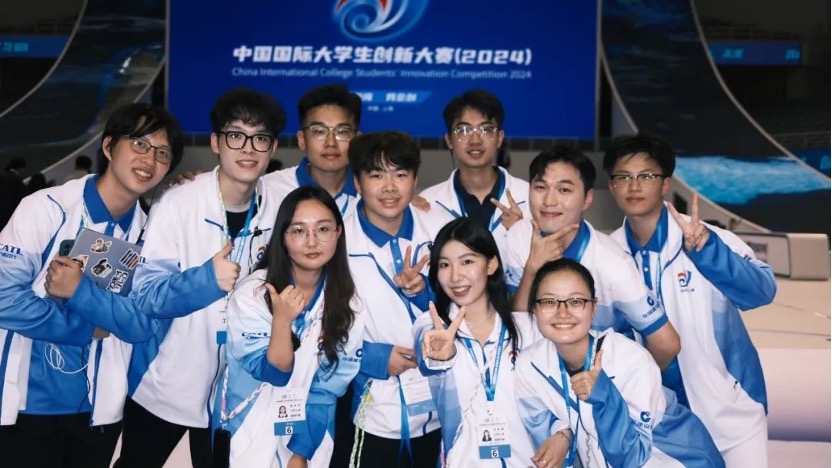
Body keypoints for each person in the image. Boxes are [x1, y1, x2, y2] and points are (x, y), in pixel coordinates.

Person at [46, 88, 286, 467]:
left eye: (260, 139)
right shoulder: (178, 202)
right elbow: (147, 294)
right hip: (164, 383)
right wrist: (206, 280)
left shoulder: (279, 208)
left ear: (272, 148)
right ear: (216, 143)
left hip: (235, 389)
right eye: (236, 136)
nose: (248, 148)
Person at [0, 103, 184, 467]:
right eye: (140, 144)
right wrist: (85, 328)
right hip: (25, 408)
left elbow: (143, 323)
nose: (150, 159)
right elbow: (4, 298)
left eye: (163, 153)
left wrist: (80, 293)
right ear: (109, 146)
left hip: (98, 414)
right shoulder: (47, 208)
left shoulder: (152, 235)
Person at [603, 133, 775, 466]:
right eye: (623, 177)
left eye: (646, 176)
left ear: (665, 183)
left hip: (731, 414)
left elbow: (762, 291)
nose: (634, 186)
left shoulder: (707, 237)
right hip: (661, 421)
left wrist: (709, 253)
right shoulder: (607, 254)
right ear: (611, 186)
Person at [515, 259, 724, 468]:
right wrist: (562, 435)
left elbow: (632, 458)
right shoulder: (529, 365)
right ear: (534, 308)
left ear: (593, 307)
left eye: (576, 301)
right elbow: (547, 434)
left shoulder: (630, 359)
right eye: (549, 302)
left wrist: (605, 395)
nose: (562, 312)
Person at [216, 186, 365, 468]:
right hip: (247, 429)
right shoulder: (253, 294)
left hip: (307, 434)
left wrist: (301, 453)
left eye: (323, 229)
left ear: (338, 232)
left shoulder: (350, 303)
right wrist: (282, 322)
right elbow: (274, 373)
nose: (312, 242)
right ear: (282, 238)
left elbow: (327, 389)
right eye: (298, 231)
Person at [504, 146, 680, 371]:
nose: (549, 200)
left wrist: (622, 384)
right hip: (542, 373)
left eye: (564, 190)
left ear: (587, 199)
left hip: (600, 375)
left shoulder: (612, 263)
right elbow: (519, 324)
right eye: (540, 187)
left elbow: (667, 344)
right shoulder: (519, 236)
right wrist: (532, 268)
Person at [336, 131, 453, 467]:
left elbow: (469, 304)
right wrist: (367, 357)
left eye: (400, 175)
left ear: (415, 180)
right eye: (376, 175)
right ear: (357, 183)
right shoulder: (336, 240)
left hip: (441, 405)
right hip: (369, 410)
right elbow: (316, 325)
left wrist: (423, 293)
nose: (389, 187)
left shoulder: (442, 229)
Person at [413, 217, 536, 467]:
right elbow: (427, 357)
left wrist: (561, 433)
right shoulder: (432, 326)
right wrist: (442, 355)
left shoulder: (526, 328)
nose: (455, 276)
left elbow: (548, 398)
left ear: (491, 264)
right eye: (444, 265)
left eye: (467, 261)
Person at [420, 89, 531, 261]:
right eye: (464, 130)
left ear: (499, 138)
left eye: (486, 130)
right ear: (449, 140)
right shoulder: (428, 203)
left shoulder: (530, 198)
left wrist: (522, 230)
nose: (475, 140)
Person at [263, 84, 361, 217]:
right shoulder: (269, 189)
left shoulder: (373, 193)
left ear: (357, 140)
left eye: (342, 132)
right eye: (319, 131)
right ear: (302, 140)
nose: (331, 143)